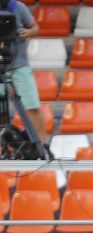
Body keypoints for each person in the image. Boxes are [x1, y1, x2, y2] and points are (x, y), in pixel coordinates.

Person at [3, 0, 48, 144]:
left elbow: (35, 28)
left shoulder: (19, 7)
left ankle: (43, 146)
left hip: (20, 66)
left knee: (33, 106)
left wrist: (29, 32)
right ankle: (4, 144)